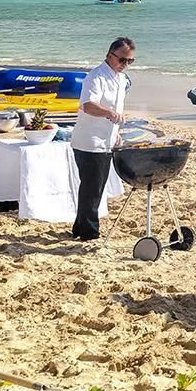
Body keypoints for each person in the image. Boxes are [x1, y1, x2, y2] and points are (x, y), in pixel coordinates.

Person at [70, 36, 133, 240]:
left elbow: (118, 109)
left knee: (95, 187)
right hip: (90, 141)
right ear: (109, 55)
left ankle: (80, 228)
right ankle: (90, 233)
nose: (125, 65)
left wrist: (117, 133)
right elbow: (89, 105)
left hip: (107, 141)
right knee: (92, 188)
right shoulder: (95, 77)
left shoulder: (121, 79)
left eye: (129, 61)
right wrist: (109, 114)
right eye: (122, 60)